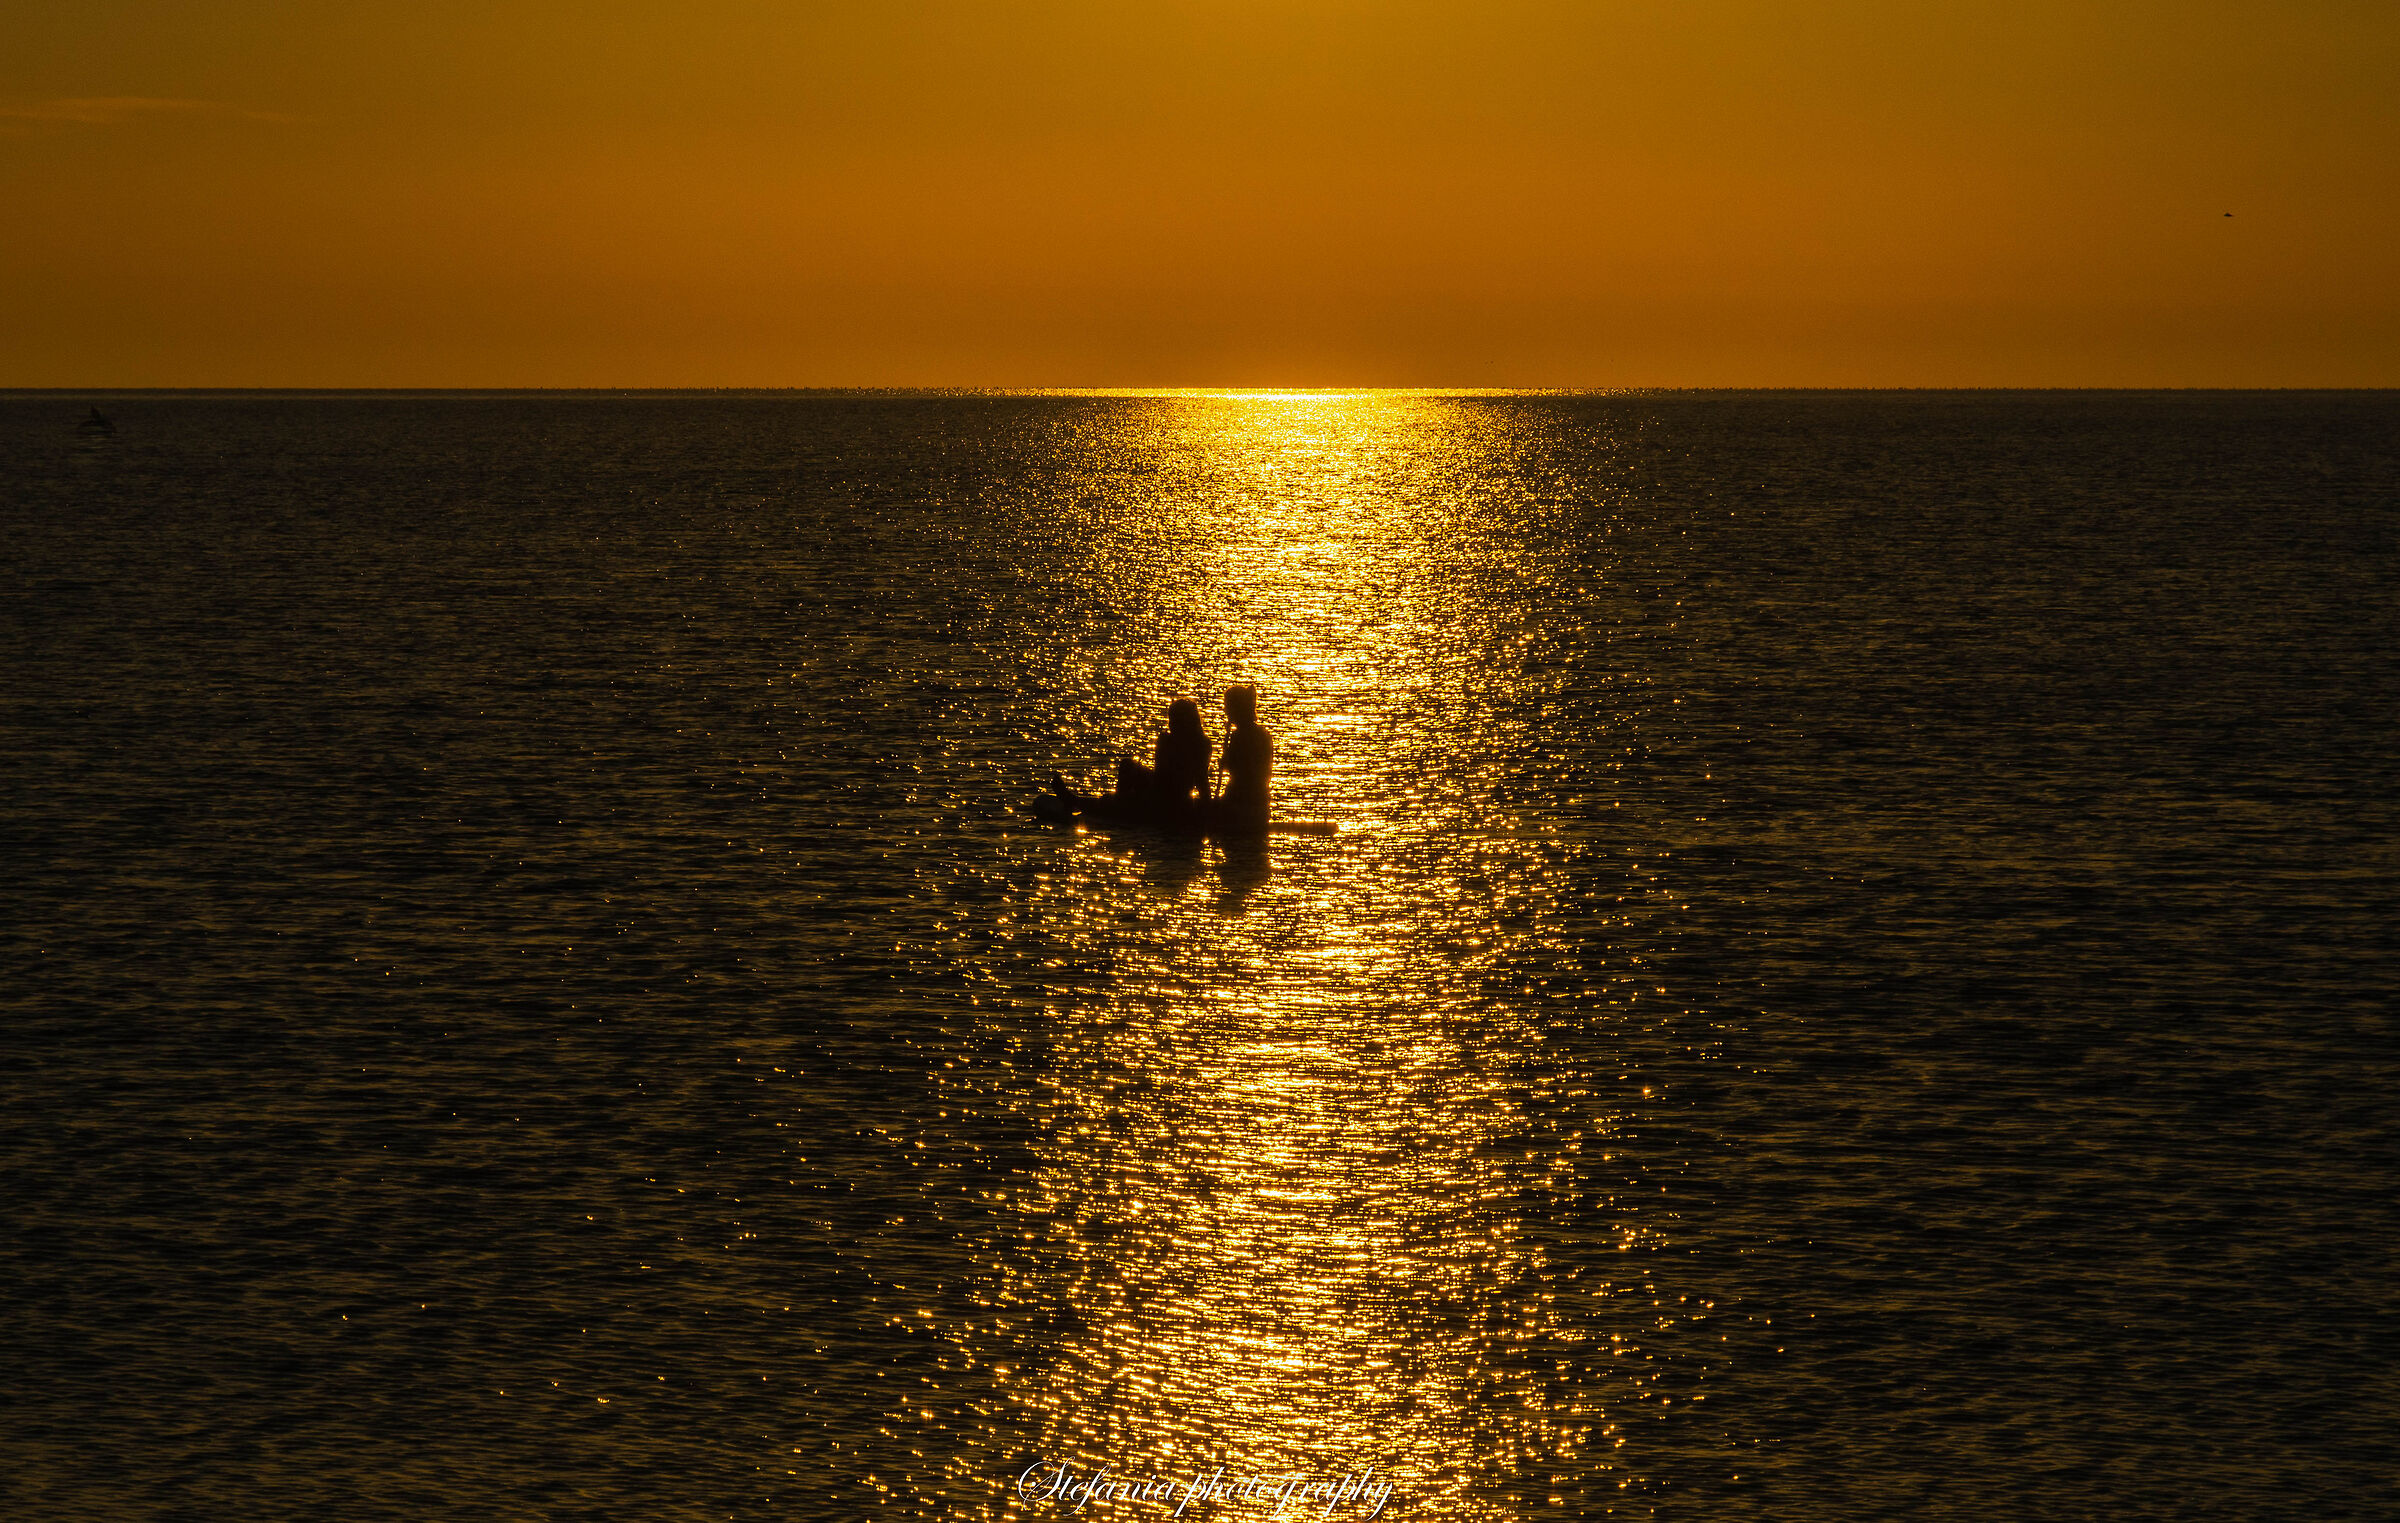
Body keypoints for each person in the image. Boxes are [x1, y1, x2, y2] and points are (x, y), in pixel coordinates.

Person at [1050, 697, 1213, 828]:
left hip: (1170, 797)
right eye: (1171, 719)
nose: (1171, 724)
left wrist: (1208, 806)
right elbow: (1164, 773)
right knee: (1128, 765)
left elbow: (1198, 778)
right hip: (1164, 789)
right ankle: (1119, 801)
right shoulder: (1185, 741)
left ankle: (1084, 802)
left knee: (1123, 792)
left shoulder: (1192, 743)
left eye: (1175, 720)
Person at [1213, 684, 1273, 833]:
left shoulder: (1240, 736)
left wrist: (1224, 762)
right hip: (1261, 803)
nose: (1225, 711)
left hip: (1241, 804)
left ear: (1236, 708)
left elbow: (1239, 770)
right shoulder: (1264, 734)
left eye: (1227, 706)